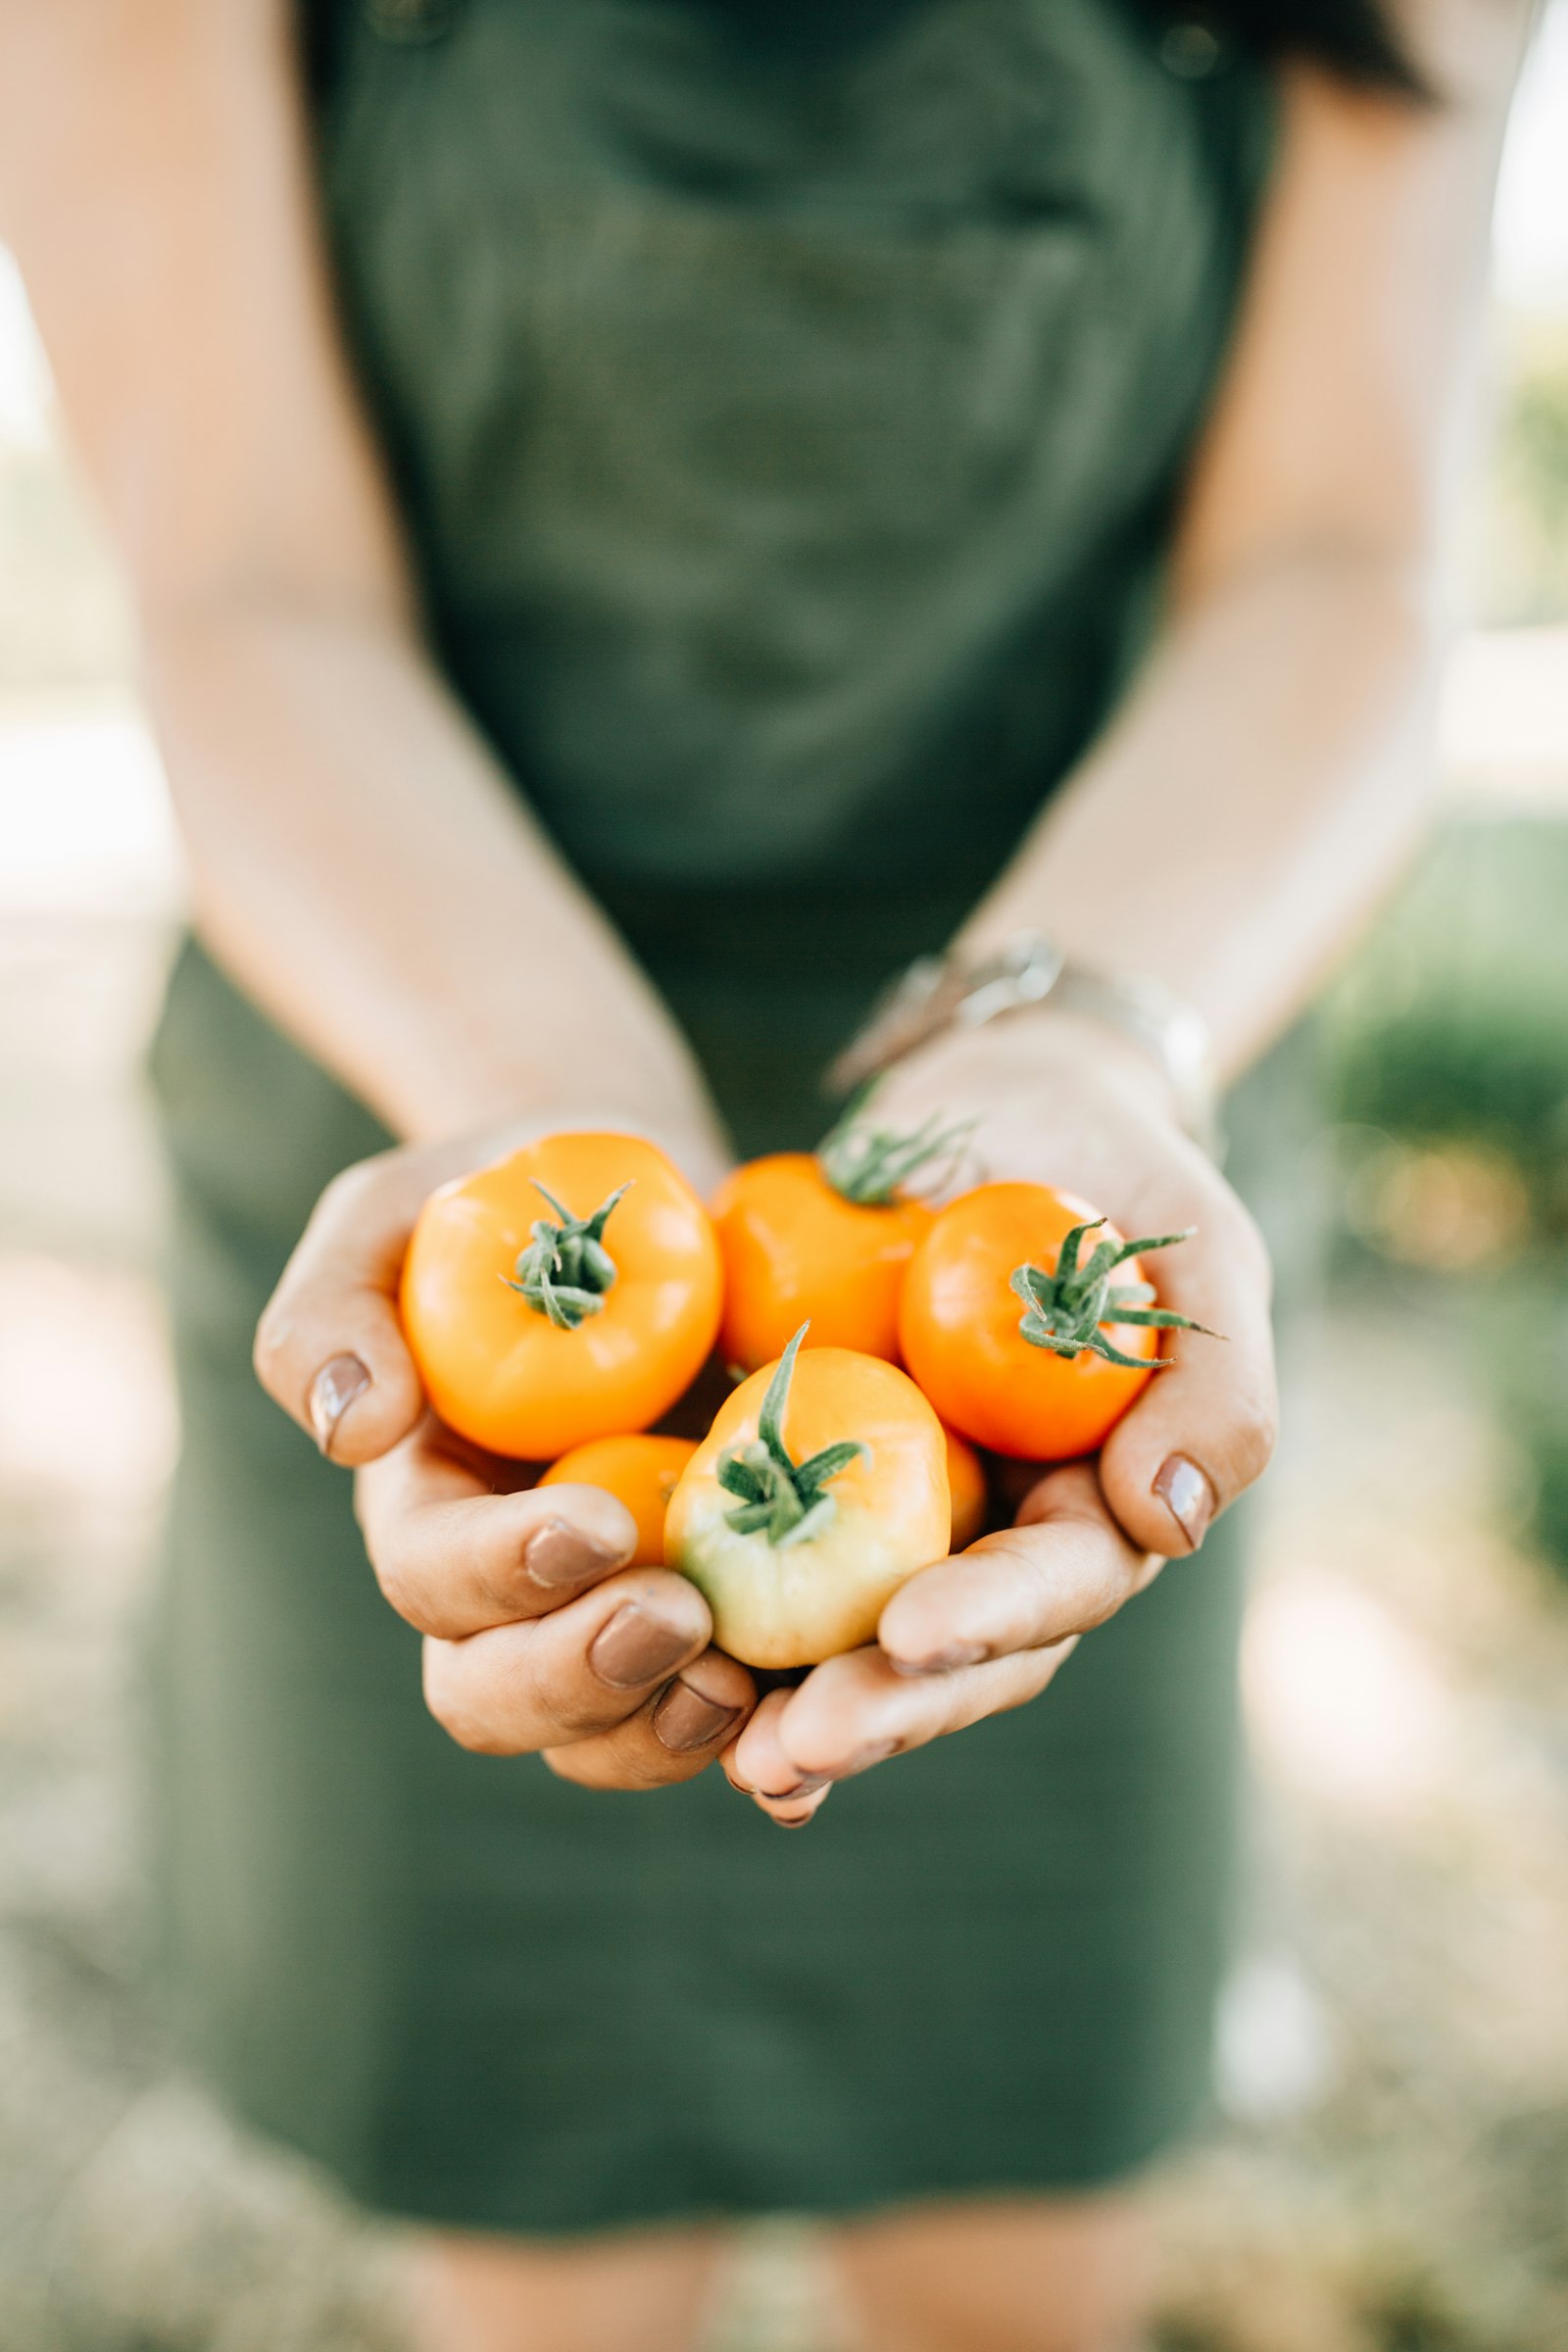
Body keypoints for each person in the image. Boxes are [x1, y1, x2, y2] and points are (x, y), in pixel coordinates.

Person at [1, 1, 1528, 2345]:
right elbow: (241, 577)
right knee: (538, 2223)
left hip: (1083, 1150)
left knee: (1015, 2215)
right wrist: (542, 1090)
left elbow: (1333, 557)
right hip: (421, 1054)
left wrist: (1072, 1032)